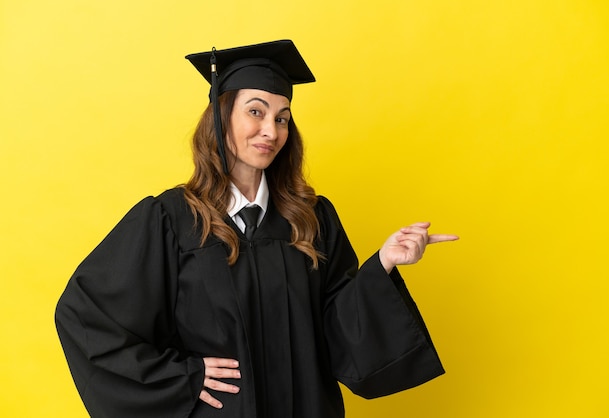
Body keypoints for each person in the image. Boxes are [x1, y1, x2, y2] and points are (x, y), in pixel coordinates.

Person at [55, 39, 458, 418]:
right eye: (255, 111)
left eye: (282, 118)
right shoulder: (171, 219)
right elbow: (88, 318)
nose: (271, 130)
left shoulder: (313, 218)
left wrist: (384, 264)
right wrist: (182, 378)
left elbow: (338, 334)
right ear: (220, 115)